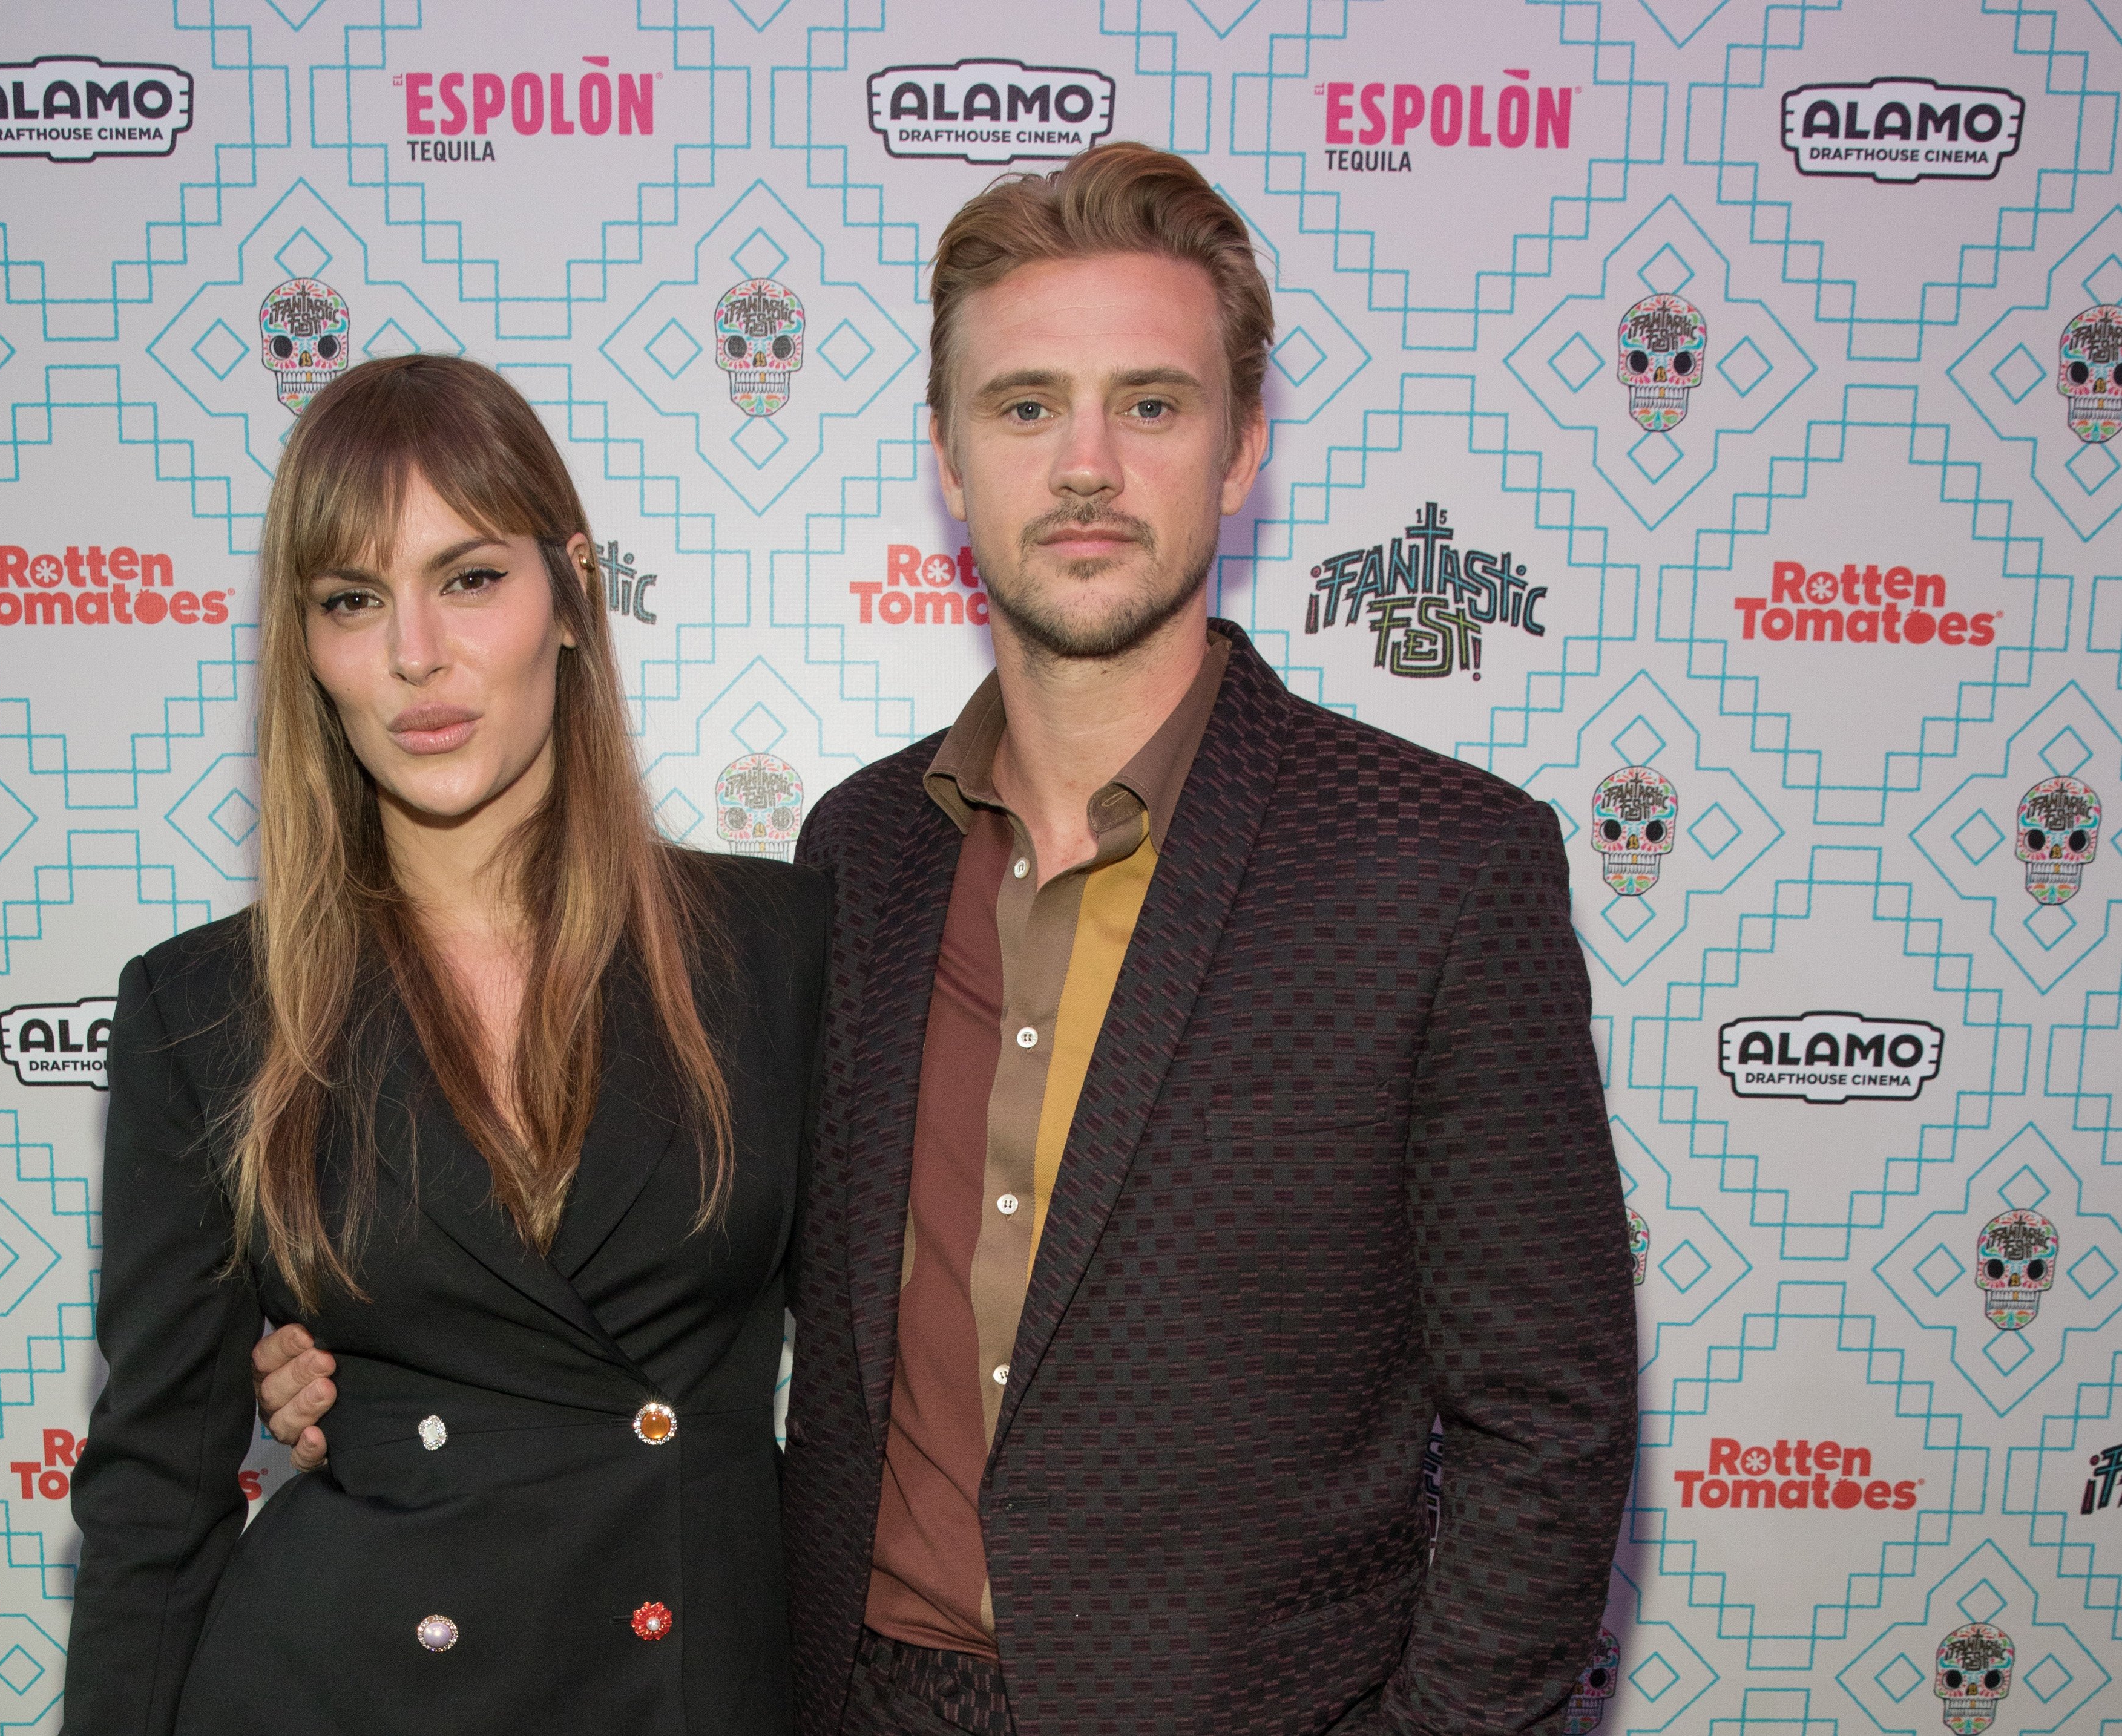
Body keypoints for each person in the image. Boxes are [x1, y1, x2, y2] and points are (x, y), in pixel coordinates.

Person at [252, 143, 1637, 1734]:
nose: (1089, 462)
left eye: (1156, 403)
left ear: (1246, 443)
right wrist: (363, 1351)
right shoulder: (858, 855)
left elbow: (1552, 1424)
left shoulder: (1436, 864)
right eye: (1027, 404)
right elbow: (677, 1255)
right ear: (950, 454)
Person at [62, 354, 828, 1735]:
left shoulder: (778, 945)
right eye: (353, 601)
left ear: (571, 590)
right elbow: (153, 1501)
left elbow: (893, 1382)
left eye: (470, 577)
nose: (416, 651)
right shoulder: (209, 1010)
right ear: (307, 647)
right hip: (336, 1681)